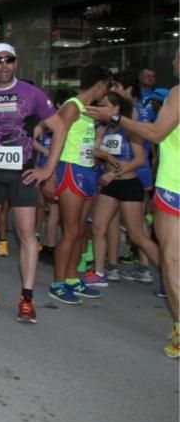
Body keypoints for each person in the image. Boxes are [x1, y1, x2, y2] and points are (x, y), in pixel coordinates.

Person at [86, 52, 178, 358]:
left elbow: (149, 143)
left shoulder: (170, 98)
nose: (174, 63)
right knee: (102, 226)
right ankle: (102, 270)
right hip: (153, 187)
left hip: (152, 186)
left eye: (177, 57)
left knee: (153, 247)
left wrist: (113, 121)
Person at [0, 43, 67, 323]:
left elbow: (59, 128)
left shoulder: (32, 93)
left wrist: (47, 168)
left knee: (26, 233)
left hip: (23, 173)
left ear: (15, 63)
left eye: (8, 60)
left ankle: (27, 297)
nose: (3, 65)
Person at [48, 65, 112, 305]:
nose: (105, 94)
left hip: (87, 171)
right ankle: (57, 283)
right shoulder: (71, 107)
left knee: (80, 230)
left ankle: (72, 278)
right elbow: (58, 140)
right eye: (105, 88)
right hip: (70, 170)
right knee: (71, 230)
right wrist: (51, 176)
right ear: (99, 84)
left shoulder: (88, 111)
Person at [86, 92, 158, 288]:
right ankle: (100, 272)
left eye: (105, 105)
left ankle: (169, 273)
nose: (101, 107)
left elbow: (139, 160)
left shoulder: (130, 129)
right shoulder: (104, 129)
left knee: (136, 235)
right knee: (98, 227)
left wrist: (114, 174)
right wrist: (103, 155)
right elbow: (94, 151)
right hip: (109, 186)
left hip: (128, 184)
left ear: (116, 108)